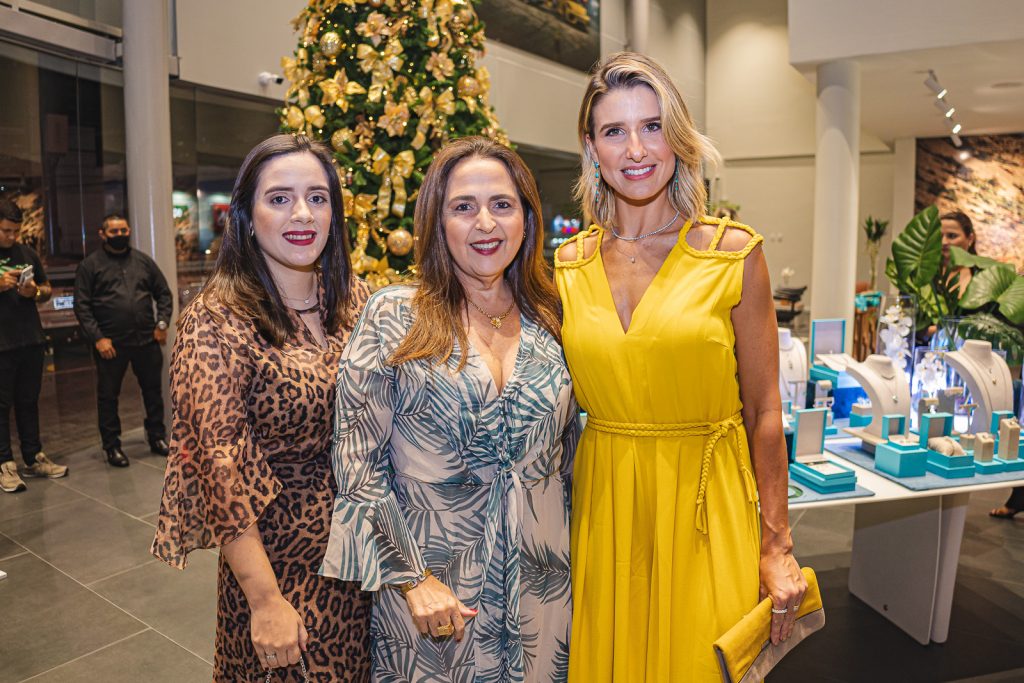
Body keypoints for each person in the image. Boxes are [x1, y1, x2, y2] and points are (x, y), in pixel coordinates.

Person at [554, 52, 806, 681]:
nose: (636, 148)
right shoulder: (567, 264)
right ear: (592, 148)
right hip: (606, 507)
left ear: (680, 139)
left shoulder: (733, 254)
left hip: (706, 506)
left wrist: (777, 544)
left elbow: (765, 410)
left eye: (653, 126)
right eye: (615, 131)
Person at [321, 136, 578, 681]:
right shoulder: (395, 316)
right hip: (435, 603)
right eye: (464, 207)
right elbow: (358, 463)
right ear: (437, 222)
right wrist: (412, 578)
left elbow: (569, 459)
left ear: (527, 221)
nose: (485, 223)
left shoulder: (552, 316)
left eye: (502, 205)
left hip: (544, 594)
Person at [151, 134, 372, 681]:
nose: (302, 214)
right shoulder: (218, 319)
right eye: (280, 198)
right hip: (281, 566)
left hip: (364, 556)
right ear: (247, 215)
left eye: (318, 198)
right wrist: (265, 599)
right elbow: (216, 466)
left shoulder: (357, 299)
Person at [73, 214, 173, 467]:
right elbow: (82, 306)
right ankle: (112, 446)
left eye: (123, 230)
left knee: (152, 392)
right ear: (103, 234)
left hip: (146, 341)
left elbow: (163, 293)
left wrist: (162, 324)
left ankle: (157, 437)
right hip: (110, 345)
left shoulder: (143, 262)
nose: (120, 235)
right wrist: (98, 338)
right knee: (108, 397)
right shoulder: (90, 265)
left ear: (129, 231)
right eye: (114, 232)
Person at [0, 198, 67, 493]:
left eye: (14, 231)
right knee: (1, 406)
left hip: (30, 339)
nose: (11, 237)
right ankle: (4, 463)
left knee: (29, 401)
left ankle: (33, 456)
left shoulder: (26, 252)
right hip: (1, 345)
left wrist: (34, 290)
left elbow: (47, 290)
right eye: (5, 231)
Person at [940, 209, 977, 293]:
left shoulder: (983, 275)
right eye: (939, 236)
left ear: (970, 239)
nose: (943, 242)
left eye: (952, 236)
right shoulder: (923, 274)